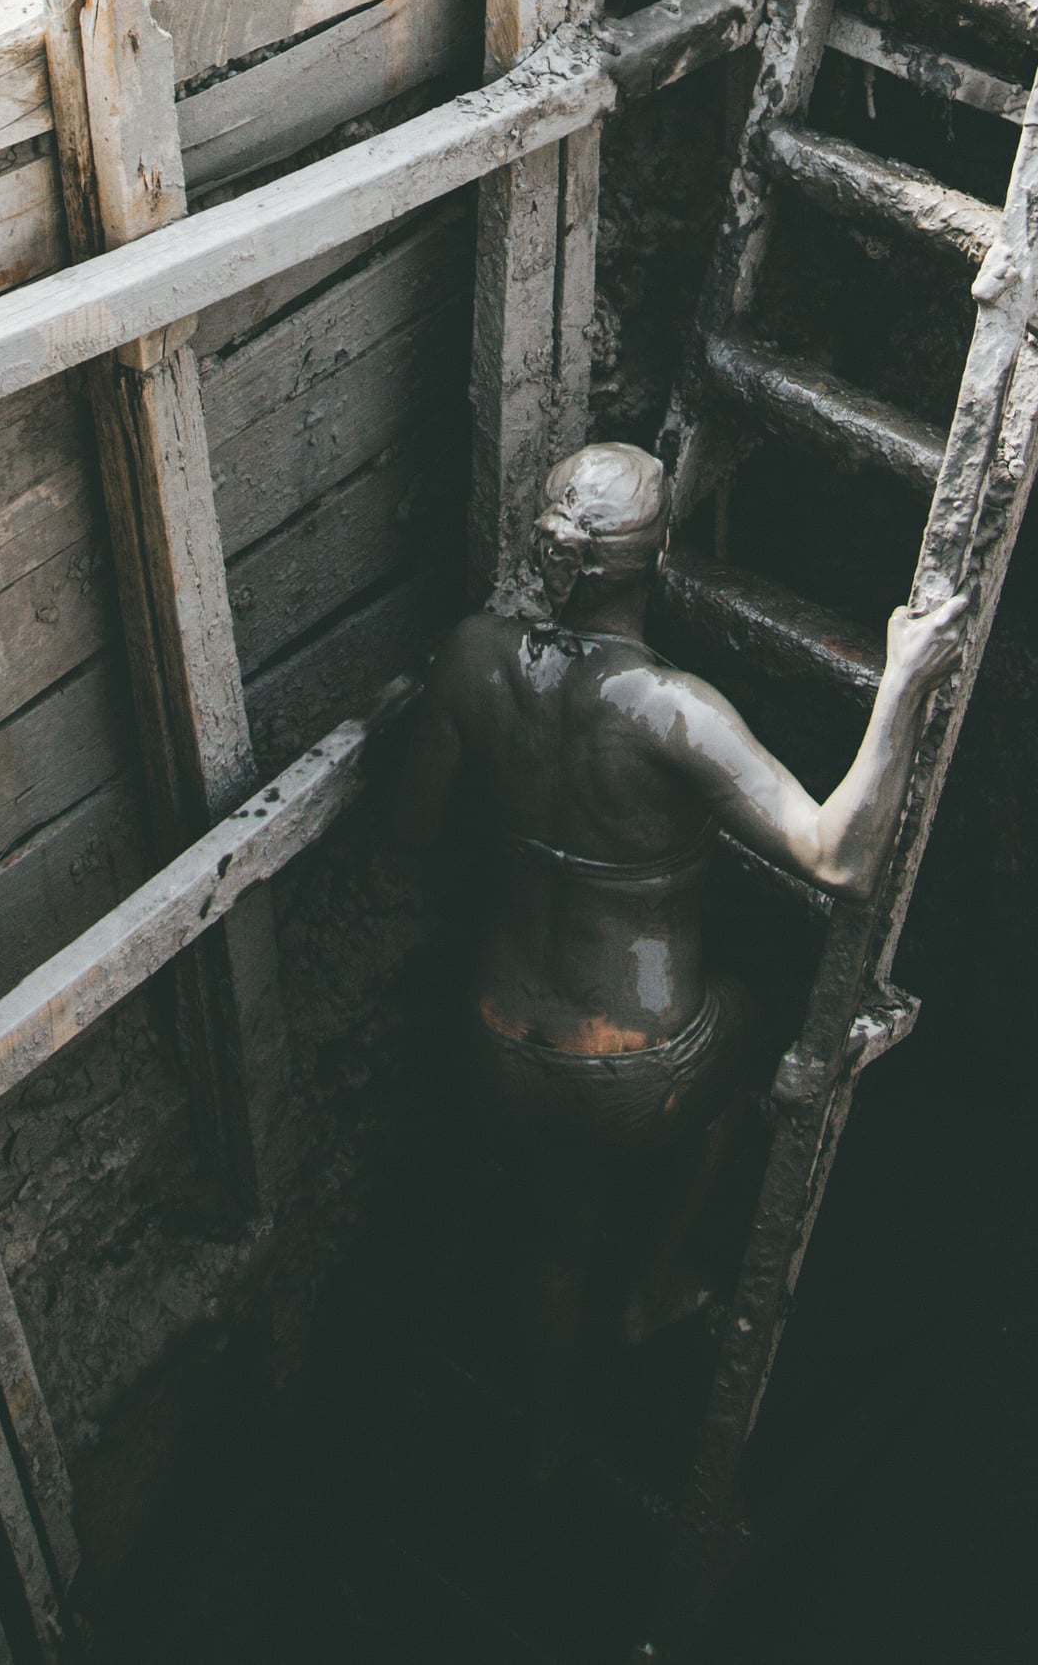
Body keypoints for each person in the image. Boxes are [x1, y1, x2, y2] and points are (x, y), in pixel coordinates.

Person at [396, 442, 962, 1388]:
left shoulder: (469, 656)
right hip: (638, 1072)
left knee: (554, 1231)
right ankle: (655, 1281)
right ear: (659, 562)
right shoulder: (674, 712)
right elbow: (841, 858)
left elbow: (409, 831)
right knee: (750, 1030)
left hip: (494, 1040)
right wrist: (902, 685)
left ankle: (542, 1447)